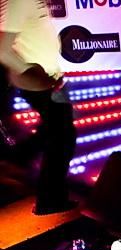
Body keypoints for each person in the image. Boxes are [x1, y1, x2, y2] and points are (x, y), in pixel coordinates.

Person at [0, 0, 76, 215]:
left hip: (47, 78)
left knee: (56, 132)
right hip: (38, 81)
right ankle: (49, 199)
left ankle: (15, 161)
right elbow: (3, 51)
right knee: (63, 136)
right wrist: (32, 73)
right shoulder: (19, 1)